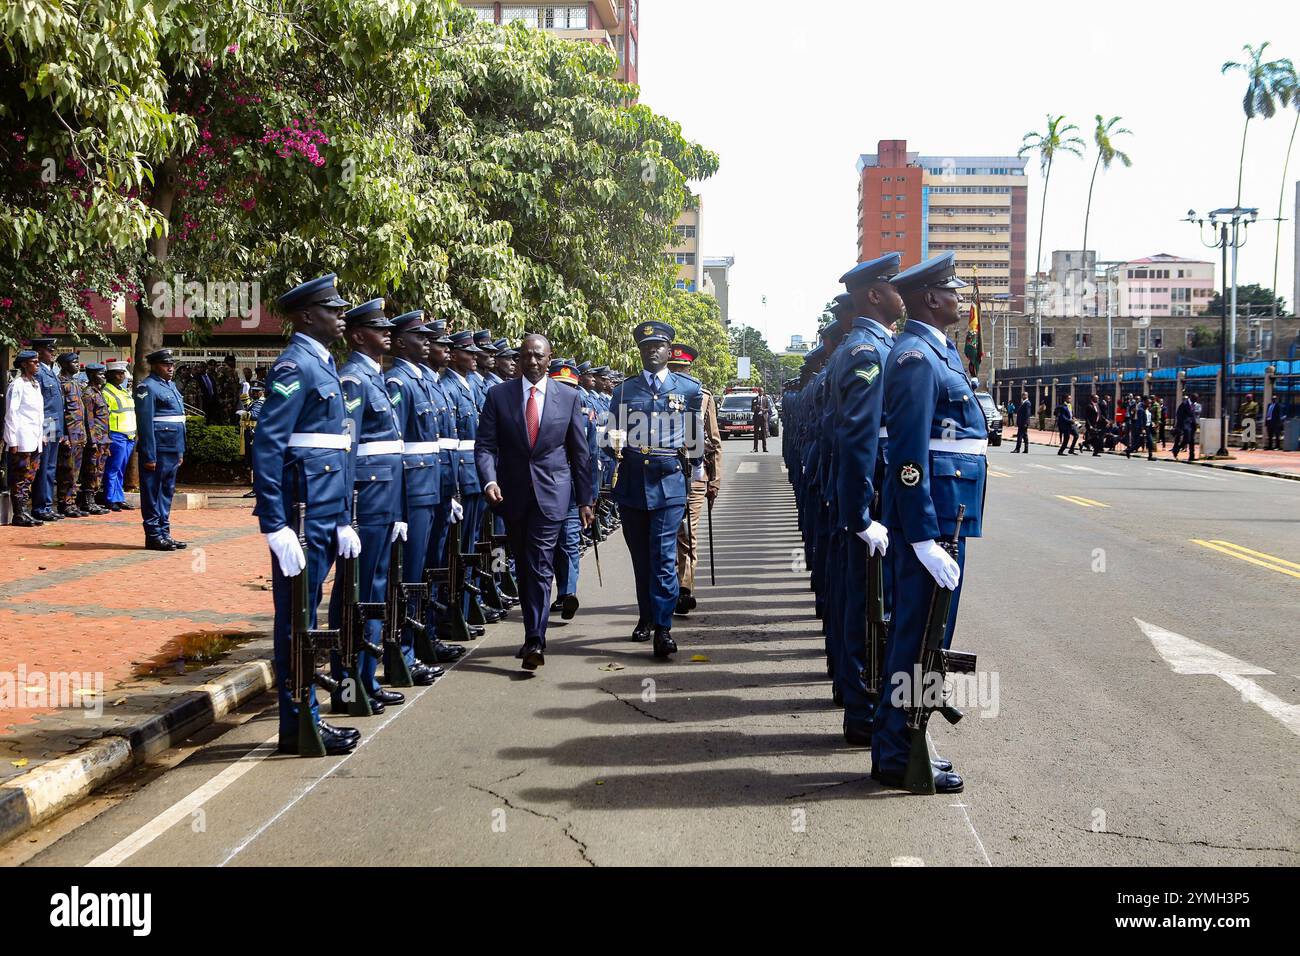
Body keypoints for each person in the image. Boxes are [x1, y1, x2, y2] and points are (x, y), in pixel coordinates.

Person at [872, 252, 986, 796]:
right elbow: (908, 456)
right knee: (915, 639)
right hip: (932, 522)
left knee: (928, 639)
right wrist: (920, 536)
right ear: (928, 299)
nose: (960, 298)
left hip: (948, 517)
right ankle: (897, 754)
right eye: (951, 290)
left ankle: (911, 742)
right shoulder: (916, 358)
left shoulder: (936, 352)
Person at [253, 273, 361, 757]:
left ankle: (304, 722)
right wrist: (274, 525)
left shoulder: (323, 365)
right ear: (304, 317)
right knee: (296, 621)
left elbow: (335, 451)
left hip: (322, 512)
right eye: (331, 309)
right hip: (298, 517)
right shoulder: (294, 367)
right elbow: (269, 446)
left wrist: (341, 516)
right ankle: (299, 724)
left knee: (308, 619)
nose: (341, 316)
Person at [477, 333, 593, 670]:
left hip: (553, 494)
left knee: (540, 563)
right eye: (526, 355)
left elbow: (579, 453)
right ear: (518, 359)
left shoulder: (568, 397)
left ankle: (535, 640)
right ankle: (533, 630)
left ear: (549, 358)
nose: (532, 361)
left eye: (538, 356)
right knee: (525, 567)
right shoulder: (498, 395)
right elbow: (485, 445)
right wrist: (489, 479)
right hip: (511, 494)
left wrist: (585, 499)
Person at [827, 253, 903, 746]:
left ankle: (864, 706)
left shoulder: (871, 345)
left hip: (870, 494)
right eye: (894, 285)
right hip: (869, 499)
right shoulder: (867, 351)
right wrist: (860, 515)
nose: (903, 294)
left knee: (868, 602)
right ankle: (862, 713)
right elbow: (858, 437)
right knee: (865, 605)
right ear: (874, 294)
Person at [604, 320, 705, 659]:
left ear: (668, 350)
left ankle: (663, 628)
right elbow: (609, 438)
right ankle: (645, 616)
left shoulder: (688, 389)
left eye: (658, 346)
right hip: (632, 482)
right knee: (641, 557)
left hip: (669, 481)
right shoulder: (623, 391)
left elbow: (694, 438)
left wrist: (697, 475)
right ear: (641, 352)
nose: (652, 351)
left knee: (663, 557)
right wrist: (611, 443)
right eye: (646, 347)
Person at [385, 310, 465, 667]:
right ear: (401, 343)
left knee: (429, 571)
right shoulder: (398, 384)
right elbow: (395, 450)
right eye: (421, 338)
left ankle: (425, 637)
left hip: (433, 489)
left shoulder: (424, 382)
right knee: (410, 576)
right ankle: (405, 649)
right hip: (414, 494)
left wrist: (448, 493)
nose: (429, 344)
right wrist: (398, 506)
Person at [666, 343, 723, 617]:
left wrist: (715, 480)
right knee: (671, 533)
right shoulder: (660, 396)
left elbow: (714, 440)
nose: (678, 373)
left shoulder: (703, 397)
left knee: (688, 532)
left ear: (690, 370)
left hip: (696, 476)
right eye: (673, 369)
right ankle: (670, 587)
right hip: (666, 475)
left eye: (682, 369)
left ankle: (685, 589)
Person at [4, 350, 46, 526]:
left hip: (35, 438)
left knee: (30, 476)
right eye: (33, 362)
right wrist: (12, 440)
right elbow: (11, 414)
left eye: (37, 362)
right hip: (21, 439)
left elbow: (39, 414)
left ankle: (24, 511)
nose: (37, 364)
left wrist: (43, 435)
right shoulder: (17, 385)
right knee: (20, 477)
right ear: (23, 364)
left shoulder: (34, 384)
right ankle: (19, 514)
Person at [29, 337, 65, 522]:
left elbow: (58, 405)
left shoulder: (50, 372)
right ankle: (40, 506)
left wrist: (61, 431)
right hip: (46, 423)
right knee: (44, 467)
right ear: (39, 351)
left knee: (51, 467)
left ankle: (47, 505)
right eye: (50, 350)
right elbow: (40, 404)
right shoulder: (39, 373)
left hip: (54, 424)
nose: (53, 353)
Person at [55, 353, 89, 518]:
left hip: (78, 434)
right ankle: (65, 503)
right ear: (63, 364)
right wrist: (63, 436)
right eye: (74, 362)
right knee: (66, 471)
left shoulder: (75, 383)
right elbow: (59, 412)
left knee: (75, 472)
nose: (77, 365)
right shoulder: (60, 384)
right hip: (68, 436)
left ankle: (72, 502)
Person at [101, 360, 137, 512]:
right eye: (119, 373)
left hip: (128, 436)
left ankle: (119, 497)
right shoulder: (106, 392)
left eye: (123, 373)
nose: (122, 376)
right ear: (110, 375)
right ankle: (110, 498)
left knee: (121, 468)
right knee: (113, 468)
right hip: (116, 435)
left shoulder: (123, 391)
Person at [79, 363, 112, 514]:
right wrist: (92, 441)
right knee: (91, 470)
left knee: (99, 469)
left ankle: (93, 500)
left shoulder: (99, 392)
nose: (103, 377)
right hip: (95, 439)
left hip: (103, 439)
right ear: (92, 375)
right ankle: (87, 501)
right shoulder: (88, 394)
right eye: (101, 374)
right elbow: (88, 419)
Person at [1172, 392, 1197, 461]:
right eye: (1195, 399)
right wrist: (1180, 425)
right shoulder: (1184, 404)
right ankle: (1176, 449)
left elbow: (1193, 415)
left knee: (1192, 441)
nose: (1196, 401)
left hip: (1192, 425)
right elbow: (1179, 414)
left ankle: (1191, 456)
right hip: (1185, 425)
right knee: (1187, 440)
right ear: (1191, 398)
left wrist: (1195, 424)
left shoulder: (1193, 405)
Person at [751, 386, 770, 452]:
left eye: (762, 391)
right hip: (756, 418)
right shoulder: (754, 399)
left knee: (763, 433)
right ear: (758, 392)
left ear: (763, 392)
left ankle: (764, 448)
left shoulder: (766, 399)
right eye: (759, 391)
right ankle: (755, 448)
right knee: (756, 433)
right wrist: (755, 408)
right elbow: (752, 409)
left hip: (763, 417)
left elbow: (768, 409)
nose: (760, 392)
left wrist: (763, 409)